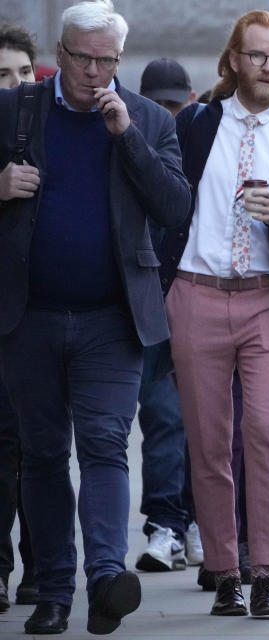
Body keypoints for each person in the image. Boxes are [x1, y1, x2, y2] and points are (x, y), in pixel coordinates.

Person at [0, 0, 192, 634]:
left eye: (105, 60)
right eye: (80, 58)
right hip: (30, 314)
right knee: (46, 453)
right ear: (61, 54)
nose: (91, 72)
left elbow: (172, 207)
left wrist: (126, 137)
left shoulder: (143, 119)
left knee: (107, 445)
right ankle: (54, 590)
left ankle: (107, 579)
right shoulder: (15, 110)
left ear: (119, 60)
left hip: (114, 318)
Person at [157, 9, 269, 618]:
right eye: (256, 55)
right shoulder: (197, 126)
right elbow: (160, 201)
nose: (267, 67)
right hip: (197, 293)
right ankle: (224, 570)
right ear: (233, 60)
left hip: (265, 300)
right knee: (207, 443)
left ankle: (265, 572)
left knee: (264, 431)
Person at [134, 56, 203, 573]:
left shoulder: (201, 149)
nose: (167, 113)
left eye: (174, 104)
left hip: (199, 301)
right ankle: (166, 524)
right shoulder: (127, 146)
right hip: (149, 304)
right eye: (158, 104)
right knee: (162, 418)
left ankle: (193, 522)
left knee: (202, 422)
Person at [0, 21, 38, 613]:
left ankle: (43, 563)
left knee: (41, 446)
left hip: (41, 312)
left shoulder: (48, 129)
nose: (16, 85)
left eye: (24, 74)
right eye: (2, 75)